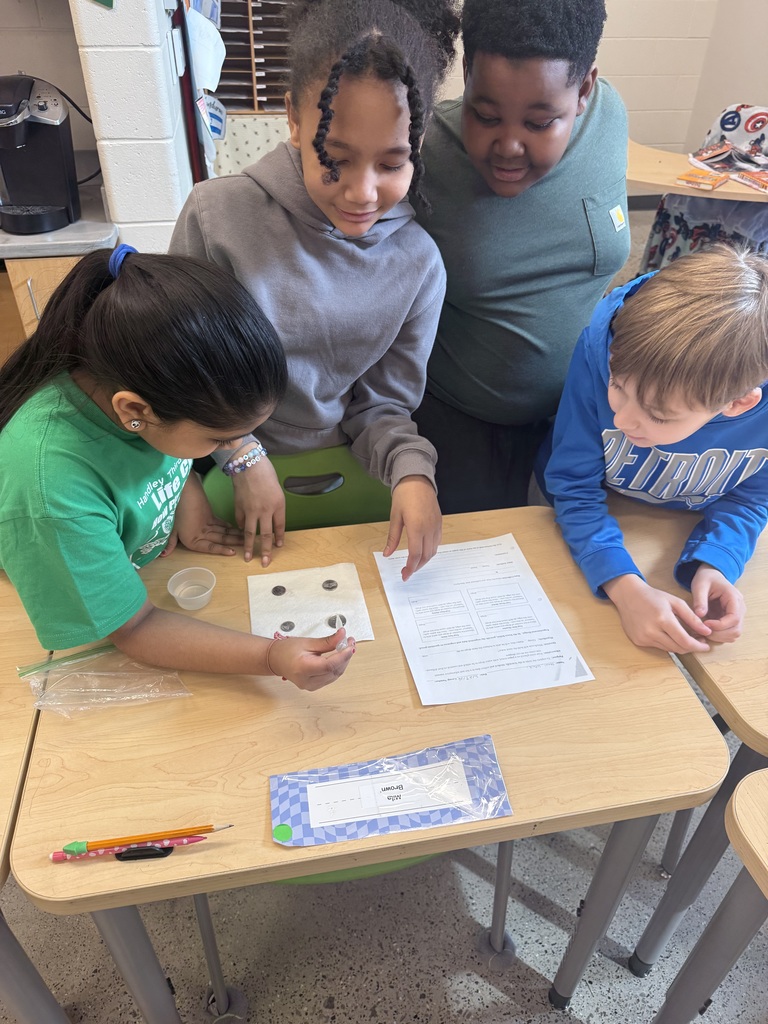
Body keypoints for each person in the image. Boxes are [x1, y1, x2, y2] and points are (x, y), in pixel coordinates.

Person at [170, 0, 460, 581]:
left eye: (392, 162)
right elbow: (174, 373)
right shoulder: (217, 216)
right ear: (295, 122)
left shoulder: (420, 263)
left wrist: (411, 471)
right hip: (223, 473)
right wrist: (238, 457)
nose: (362, 193)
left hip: (345, 477)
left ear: (419, 143)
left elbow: (382, 406)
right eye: (337, 159)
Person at [0, 245, 356, 691]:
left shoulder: (121, 384)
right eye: (219, 439)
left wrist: (184, 487)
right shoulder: (49, 488)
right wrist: (271, 655)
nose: (236, 449)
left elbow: (150, 447)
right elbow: (134, 628)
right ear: (134, 409)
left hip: (137, 574)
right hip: (58, 617)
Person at [412, 0, 630, 514]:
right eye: (485, 115)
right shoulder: (423, 153)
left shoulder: (610, 118)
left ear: (584, 91)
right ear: (465, 75)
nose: (507, 146)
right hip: (460, 423)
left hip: (579, 418)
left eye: (539, 122)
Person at [535, 244, 768, 654]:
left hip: (668, 529)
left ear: (737, 404)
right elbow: (571, 485)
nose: (622, 422)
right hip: (593, 515)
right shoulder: (602, 347)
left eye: (659, 416)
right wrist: (624, 586)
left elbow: (752, 496)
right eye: (617, 387)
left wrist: (717, 562)